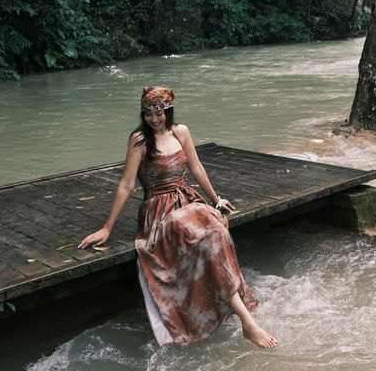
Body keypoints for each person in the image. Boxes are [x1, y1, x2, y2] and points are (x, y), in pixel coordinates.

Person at [79, 85, 277, 349]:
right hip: (158, 211)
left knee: (217, 231)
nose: (153, 119)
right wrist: (106, 228)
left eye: (158, 112)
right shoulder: (139, 140)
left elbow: (196, 167)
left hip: (187, 199)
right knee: (202, 238)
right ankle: (247, 322)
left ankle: (237, 312)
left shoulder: (180, 131)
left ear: (168, 110)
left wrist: (216, 199)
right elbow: (126, 185)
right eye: (148, 113)